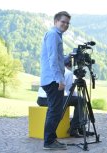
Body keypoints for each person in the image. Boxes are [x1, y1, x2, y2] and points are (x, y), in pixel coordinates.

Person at [40, 11, 70, 150]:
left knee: (53, 110)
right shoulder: (53, 35)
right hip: (53, 80)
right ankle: (49, 141)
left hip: (50, 79)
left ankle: (50, 139)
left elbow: (57, 58)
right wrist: (60, 79)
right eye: (63, 21)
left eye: (67, 23)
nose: (65, 24)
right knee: (55, 111)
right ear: (55, 21)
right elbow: (52, 59)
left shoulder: (56, 35)